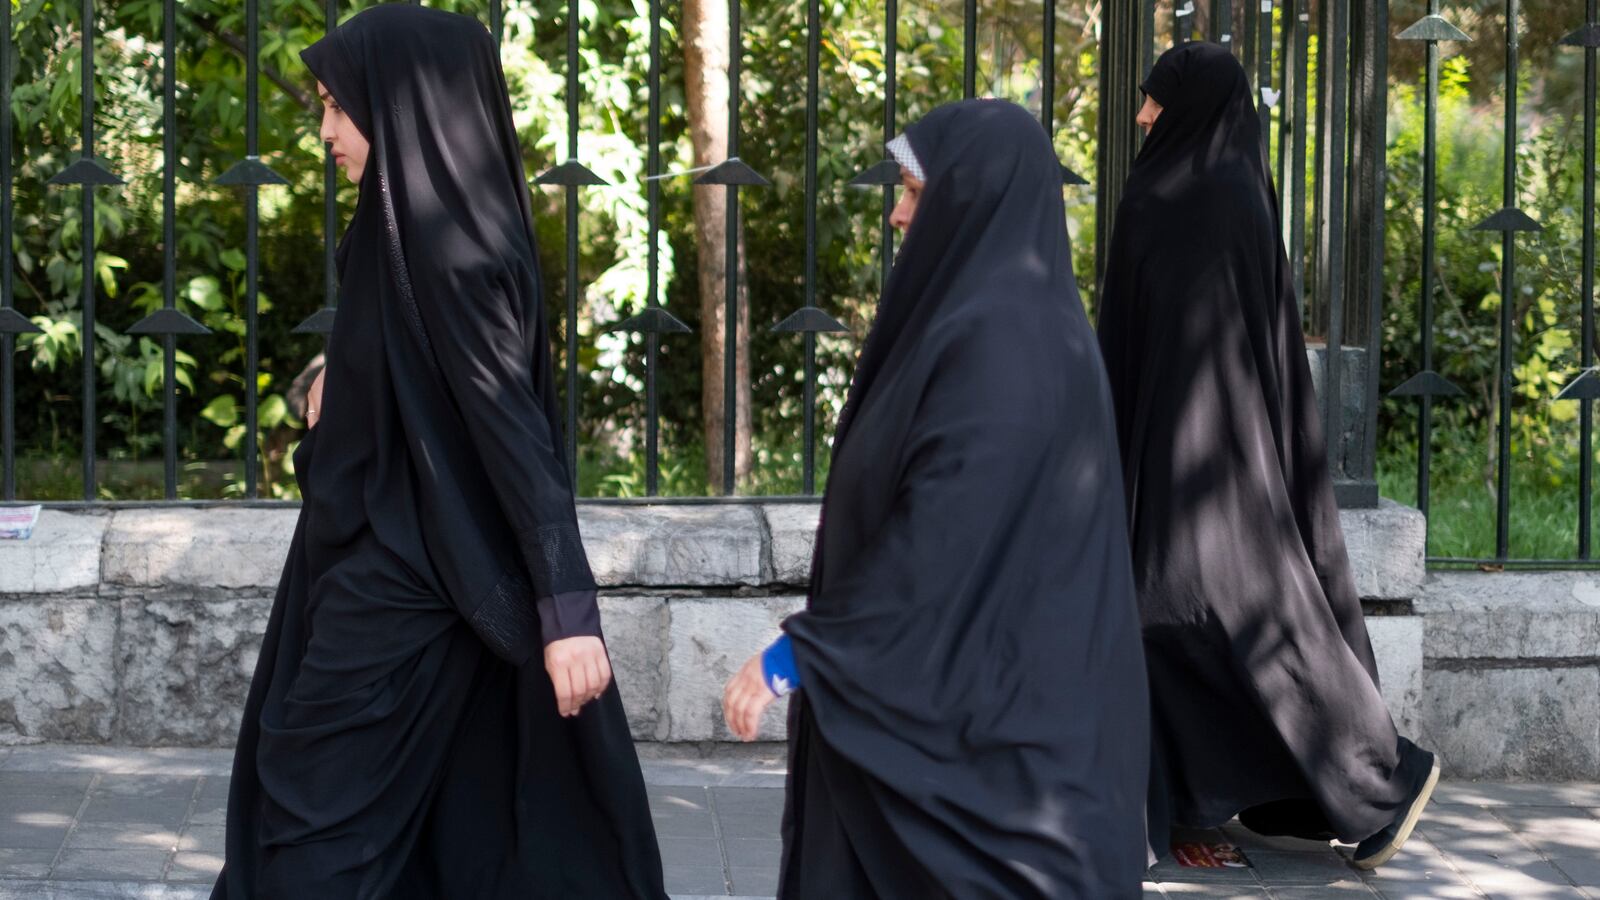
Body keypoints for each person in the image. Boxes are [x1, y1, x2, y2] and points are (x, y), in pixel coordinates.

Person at [213, 6, 665, 897]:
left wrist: (568, 611)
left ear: (400, 107)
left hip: (403, 593)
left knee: (313, 833)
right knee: (410, 834)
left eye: (340, 107)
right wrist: (335, 381)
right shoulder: (402, 235)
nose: (326, 131)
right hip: (389, 568)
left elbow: (509, 426)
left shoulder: (453, 252)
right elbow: (420, 381)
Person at [723, 99, 1155, 899]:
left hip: (998, 758)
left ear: (972, 198)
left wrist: (802, 654)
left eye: (915, 191)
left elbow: (946, 538)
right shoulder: (994, 320)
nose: (895, 212)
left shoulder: (1004, 344)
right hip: (980, 716)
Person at [1096, 41, 1440, 870]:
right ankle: (1227, 800)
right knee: (1195, 617)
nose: (1143, 115)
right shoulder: (1242, 190)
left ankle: (1381, 774)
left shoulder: (1180, 195)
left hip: (1200, 460)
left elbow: (1146, 338)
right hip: (1223, 453)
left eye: (1154, 101)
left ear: (1194, 105)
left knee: (1195, 613)